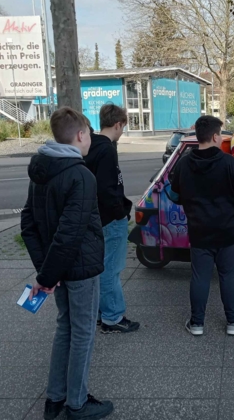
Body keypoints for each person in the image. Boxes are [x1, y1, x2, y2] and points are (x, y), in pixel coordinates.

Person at [21, 107, 114, 419]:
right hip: (79, 269)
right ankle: (77, 403)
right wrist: (48, 275)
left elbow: (28, 224)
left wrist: (46, 272)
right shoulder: (80, 175)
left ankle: (55, 399)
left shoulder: (42, 171)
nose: (90, 139)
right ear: (80, 135)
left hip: (58, 269)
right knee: (83, 332)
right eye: (88, 134)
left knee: (65, 327)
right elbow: (70, 235)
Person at [167, 115, 234, 336]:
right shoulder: (228, 162)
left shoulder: (184, 163)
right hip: (228, 232)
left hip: (199, 231)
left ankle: (196, 323)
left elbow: (174, 195)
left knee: (199, 277)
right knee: (228, 276)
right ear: (215, 136)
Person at [84, 103, 139, 334]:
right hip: (110, 219)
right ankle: (112, 317)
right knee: (111, 270)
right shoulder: (106, 149)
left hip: (97, 218)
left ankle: (100, 313)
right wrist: (121, 213)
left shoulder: (93, 145)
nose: (122, 131)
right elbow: (108, 189)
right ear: (118, 124)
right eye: (123, 126)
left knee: (102, 268)